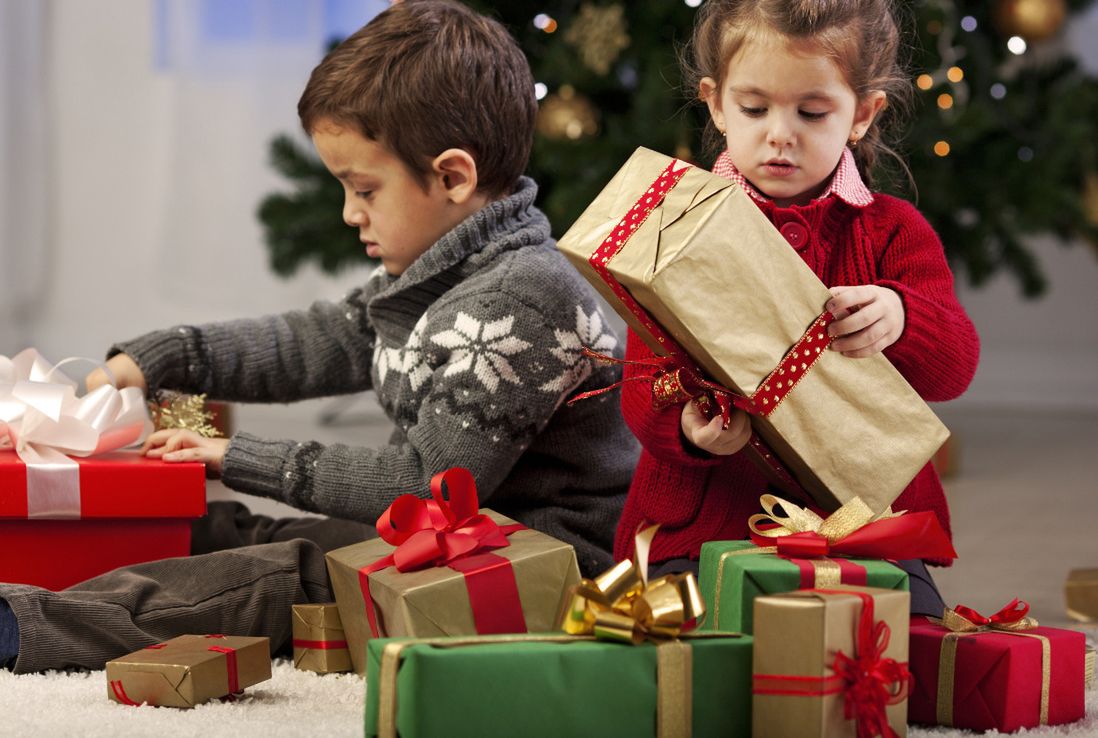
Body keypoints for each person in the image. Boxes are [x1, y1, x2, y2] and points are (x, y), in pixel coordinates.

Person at [0, 0, 638, 673]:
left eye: (363, 189)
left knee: (288, 573)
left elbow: (423, 487)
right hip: (453, 543)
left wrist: (231, 455)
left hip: (541, 569)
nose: (347, 213)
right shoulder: (437, 276)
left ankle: (20, 628)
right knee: (223, 533)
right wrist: (161, 356)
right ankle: (58, 565)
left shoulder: (521, 300)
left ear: (453, 176)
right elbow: (309, 344)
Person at [615, 0, 979, 616]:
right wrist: (688, 430)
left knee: (904, 658)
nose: (780, 133)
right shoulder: (671, 228)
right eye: (754, 109)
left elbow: (956, 366)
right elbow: (640, 385)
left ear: (862, 114)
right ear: (716, 104)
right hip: (704, 525)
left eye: (813, 112)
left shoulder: (891, 232)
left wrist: (901, 318)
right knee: (683, 665)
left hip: (863, 527)